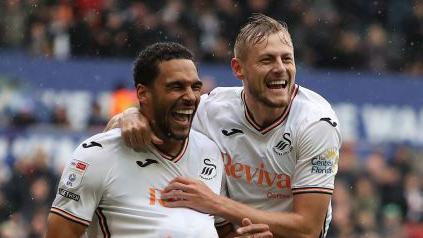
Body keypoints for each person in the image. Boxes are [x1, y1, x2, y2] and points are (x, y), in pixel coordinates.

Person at [111, 14, 342, 238]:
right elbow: (131, 120)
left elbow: (307, 229)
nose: (281, 68)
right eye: (267, 59)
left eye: (287, 59)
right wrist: (131, 115)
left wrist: (215, 203)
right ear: (238, 69)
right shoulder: (213, 111)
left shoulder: (316, 123)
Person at [46, 42, 272, 238]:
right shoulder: (97, 155)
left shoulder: (209, 151)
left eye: (195, 87)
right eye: (176, 87)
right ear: (143, 94)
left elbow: (215, 231)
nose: (190, 97)